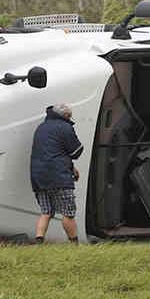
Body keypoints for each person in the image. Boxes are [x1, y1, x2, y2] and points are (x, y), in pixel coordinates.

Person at [29, 103, 84, 243]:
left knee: (46, 212)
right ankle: (74, 245)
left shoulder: (41, 127)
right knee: (68, 214)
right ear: (65, 115)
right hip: (59, 177)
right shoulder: (65, 127)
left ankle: (39, 241)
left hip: (38, 177)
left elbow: (52, 153)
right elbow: (76, 151)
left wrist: (71, 168)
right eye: (70, 116)